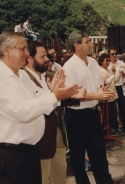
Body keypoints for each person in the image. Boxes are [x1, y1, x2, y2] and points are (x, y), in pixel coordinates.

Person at [0, 31, 79, 184]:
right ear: (6, 50)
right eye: (22, 48)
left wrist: (56, 92)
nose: (27, 53)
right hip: (10, 155)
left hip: (29, 151)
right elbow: (21, 111)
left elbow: (41, 98)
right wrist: (54, 95)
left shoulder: (21, 75)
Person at [24, 42, 85, 184]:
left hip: (56, 135)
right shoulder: (23, 79)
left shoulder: (49, 76)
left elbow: (55, 101)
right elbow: (34, 106)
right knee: (44, 178)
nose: (47, 59)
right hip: (40, 141)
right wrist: (55, 94)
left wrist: (73, 96)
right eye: (43, 56)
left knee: (59, 177)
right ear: (30, 58)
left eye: (47, 55)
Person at [63, 30, 118, 184]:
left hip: (92, 115)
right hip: (76, 117)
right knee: (78, 158)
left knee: (99, 153)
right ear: (77, 45)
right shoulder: (69, 67)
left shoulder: (93, 62)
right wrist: (96, 96)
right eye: (87, 41)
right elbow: (70, 95)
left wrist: (103, 91)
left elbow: (97, 85)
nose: (91, 44)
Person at [109, 46, 125, 136]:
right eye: (112, 54)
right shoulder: (108, 63)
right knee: (112, 110)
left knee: (122, 108)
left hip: (119, 87)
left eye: (115, 53)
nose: (114, 55)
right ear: (109, 54)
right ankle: (113, 128)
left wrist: (122, 72)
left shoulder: (121, 62)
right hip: (111, 87)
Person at [98, 53, 120, 136]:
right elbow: (106, 82)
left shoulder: (110, 70)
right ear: (101, 62)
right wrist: (113, 75)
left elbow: (116, 80)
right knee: (106, 116)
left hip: (112, 95)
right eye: (106, 60)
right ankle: (105, 133)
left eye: (109, 60)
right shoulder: (99, 71)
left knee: (113, 115)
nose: (108, 62)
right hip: (105, 97)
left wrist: (117, 73)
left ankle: (111, 130)